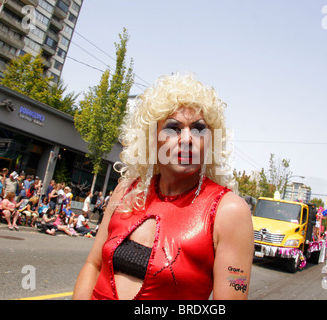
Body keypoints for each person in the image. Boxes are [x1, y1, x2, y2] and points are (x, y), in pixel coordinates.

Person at [73, 73, 253, 300]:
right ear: (152, 137)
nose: (188, 139)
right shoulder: (126, 192)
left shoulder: (230, 212)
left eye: (198, 128)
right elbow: (93, 264)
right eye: (174, 128)